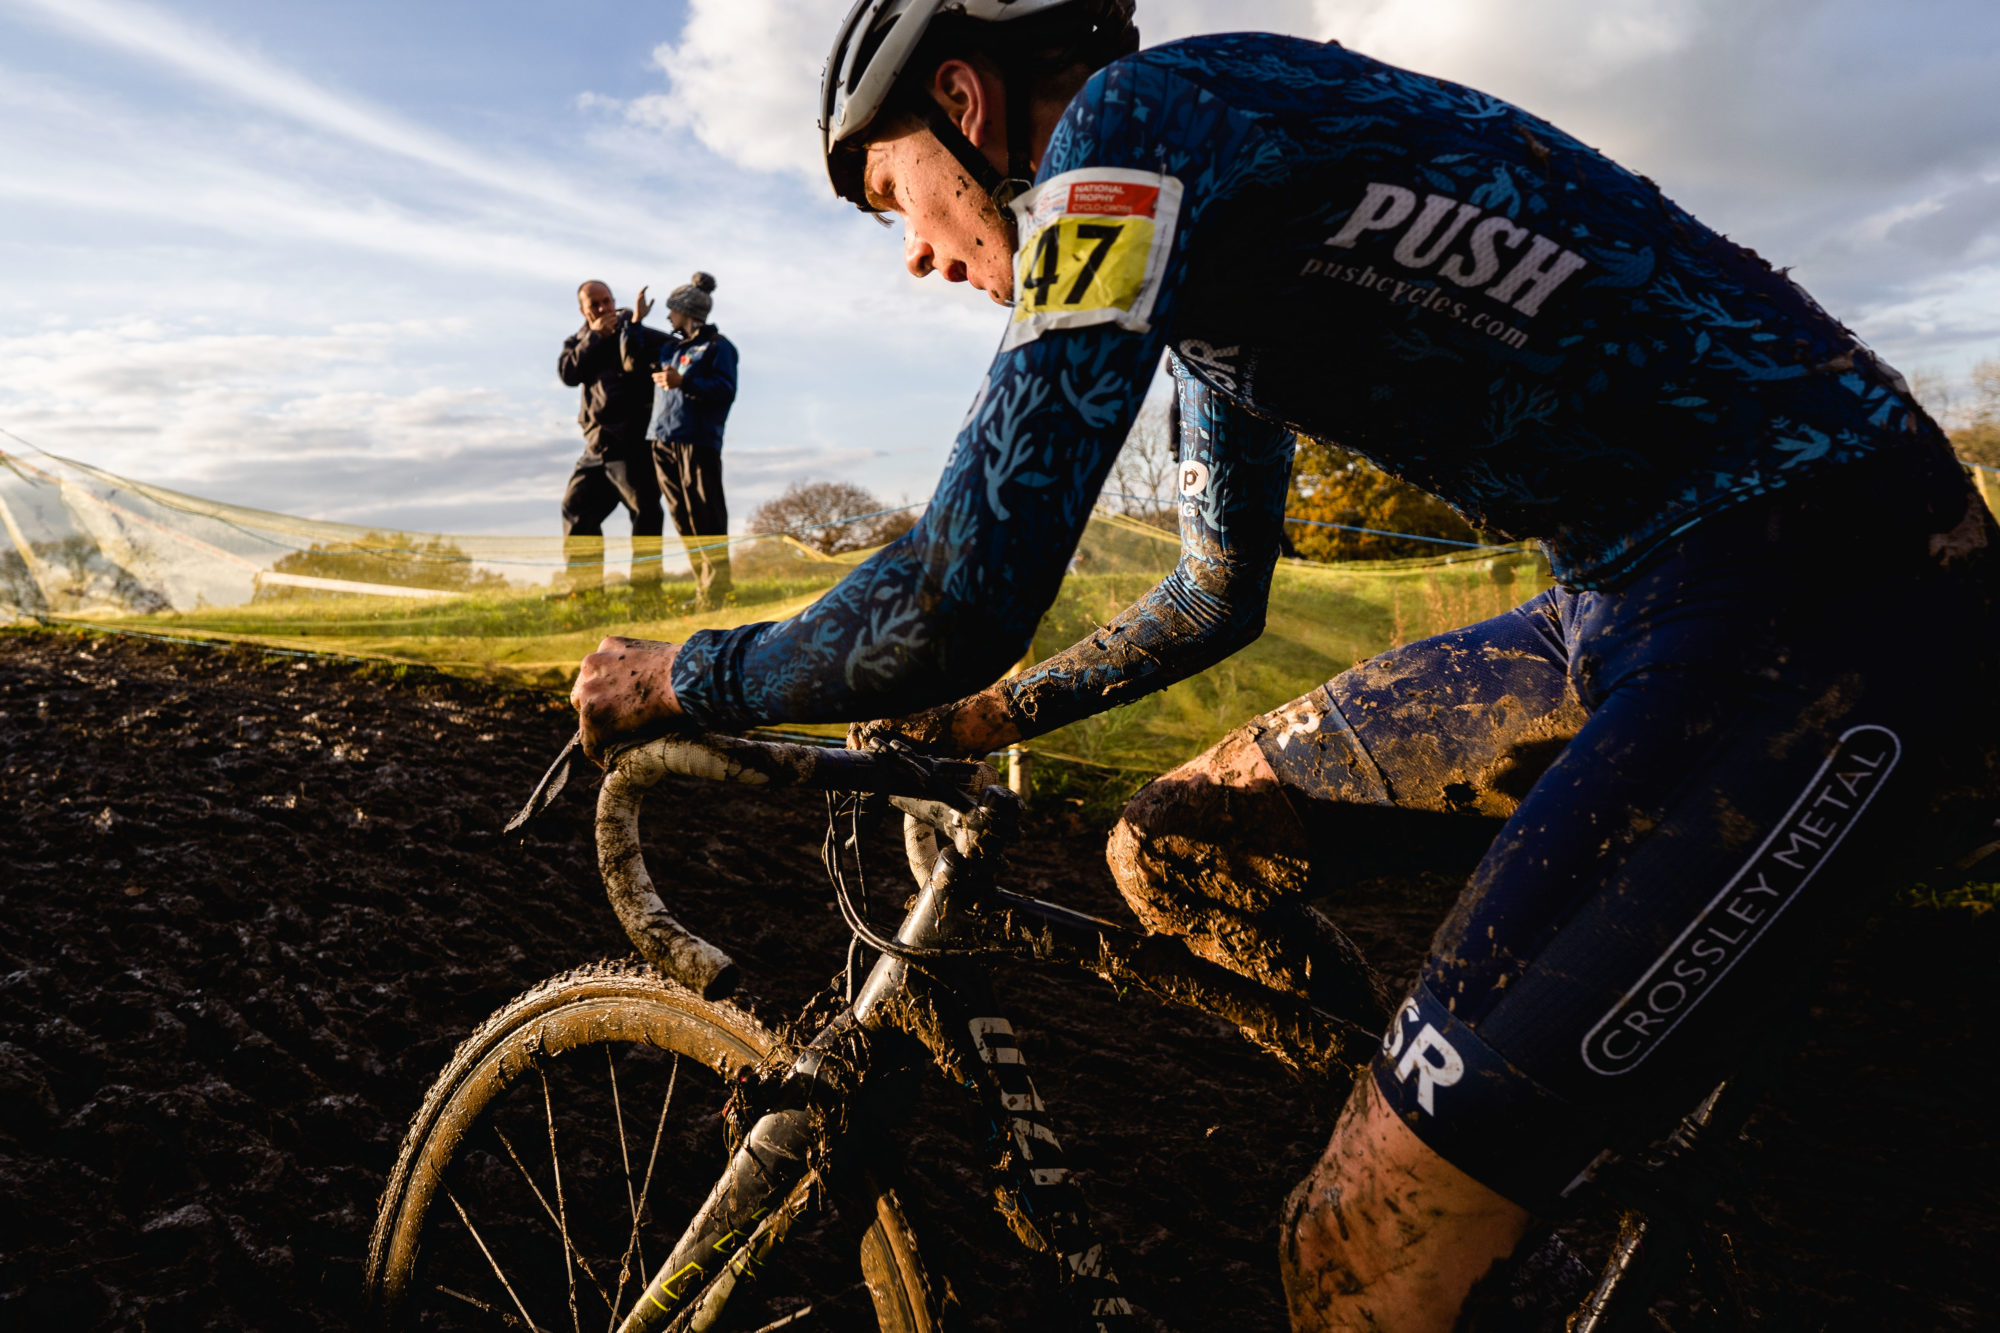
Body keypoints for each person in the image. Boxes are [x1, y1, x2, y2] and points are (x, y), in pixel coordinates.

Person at [572, 3, 2000, 1329]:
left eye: (897, 200)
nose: (919, 254)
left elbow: (961, 582)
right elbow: (1213, 590)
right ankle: (1489, 1154)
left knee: (1348, 1257)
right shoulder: (1204, 257)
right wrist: (1000, 712)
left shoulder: (1137, 121)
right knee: (1177, 851)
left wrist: (680, 674)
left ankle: (1444, 1185)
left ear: (961, 98)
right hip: (1630, 599)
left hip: (1826, 590)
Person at [622, 272, 740, 607]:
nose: (668, 316)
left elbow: (725, 391)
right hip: (661, 441)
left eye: (672, 310)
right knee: (683, 520)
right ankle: (704, 592)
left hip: (698, 442)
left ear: (687, 312)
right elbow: (630, 362)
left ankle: (719, 593)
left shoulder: (719, 347)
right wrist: (636, 320)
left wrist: (683, 383)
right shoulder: (669, 348)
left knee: (707, 518)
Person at [557, 280, 665, 594]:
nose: (604, 309)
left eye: (607, 301)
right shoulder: (578, 340)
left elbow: (667, 348)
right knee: (575, 508)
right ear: (583, 310)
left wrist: (634, 327)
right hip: (595, 444)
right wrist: (594, 337)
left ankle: (647, 591)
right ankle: (584, 591)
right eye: (595, 305)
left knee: (644, 512)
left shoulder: (633, 327)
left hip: (631, 441)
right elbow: (568, 374)